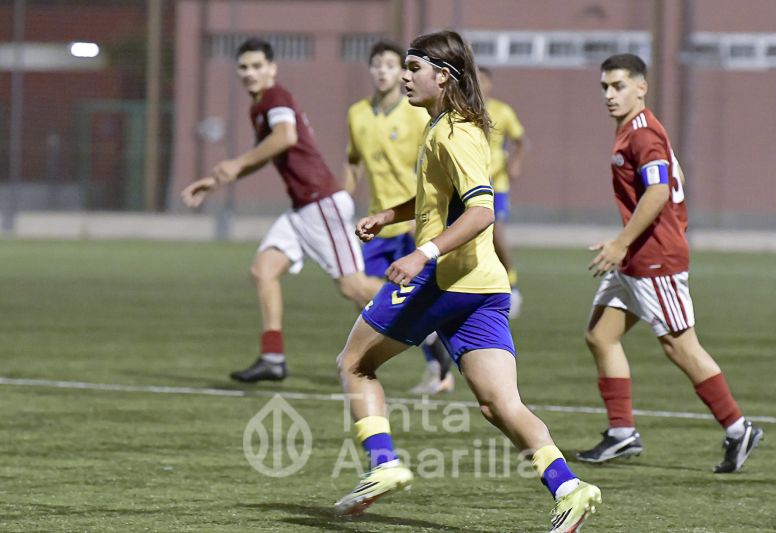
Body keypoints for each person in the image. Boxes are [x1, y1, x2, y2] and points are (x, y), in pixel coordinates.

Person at [333, 31, 602, 532]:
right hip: (484, 285)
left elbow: (481, 213)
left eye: (414, 68)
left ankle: (383, 464)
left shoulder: (451, 132)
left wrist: (421, 254)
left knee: (354, 364)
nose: (407, 76)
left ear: (443, 76)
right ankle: (570, 488)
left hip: (444, 279)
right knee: (499, 403)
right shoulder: (454, 126)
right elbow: (441, 199)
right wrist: (390, 214)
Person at [576, 53, 763, 474]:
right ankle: (622, 434)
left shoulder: (643, 135)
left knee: (680, 346)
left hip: (655, 257)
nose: (609, 94)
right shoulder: (630, 130)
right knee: (600, 335)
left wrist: (622, 243)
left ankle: (738, 428)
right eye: (604, 87)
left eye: (618, 86)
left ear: (642, 87)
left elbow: (657, 193)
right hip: (636, 258)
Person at [181, 38, 374, 383]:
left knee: (354, 288)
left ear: (272, 68)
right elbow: (267, 152)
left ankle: (431, 318)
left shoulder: (275, 97)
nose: (250, 73)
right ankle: (272, 358)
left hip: (320, 203)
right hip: (301, 209)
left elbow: (284, 137)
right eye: (244, 67)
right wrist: (214, 181)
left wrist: (236, 162)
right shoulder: (260, 106)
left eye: (258, 66)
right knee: (264, 270)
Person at [344, 40, 455, 395]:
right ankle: (431, 342)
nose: (383, 71)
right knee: (359, 288)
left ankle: (438, 368)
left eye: (392, 65)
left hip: (412, 223)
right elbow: (352, 161)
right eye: (377, 64)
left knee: (396, 292)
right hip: (379, 224)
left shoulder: (416, 111)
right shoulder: (357, 113)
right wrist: (343, 202)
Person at [477, 66, 527, 318]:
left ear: (490, 83)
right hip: (472, 184)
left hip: (497, 185)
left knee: (497, 236)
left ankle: (512, 285)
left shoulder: (502, 111)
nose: (479, 84)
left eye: (483, 80)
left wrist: (515, 163)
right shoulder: (464, 109)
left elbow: (520, 140)